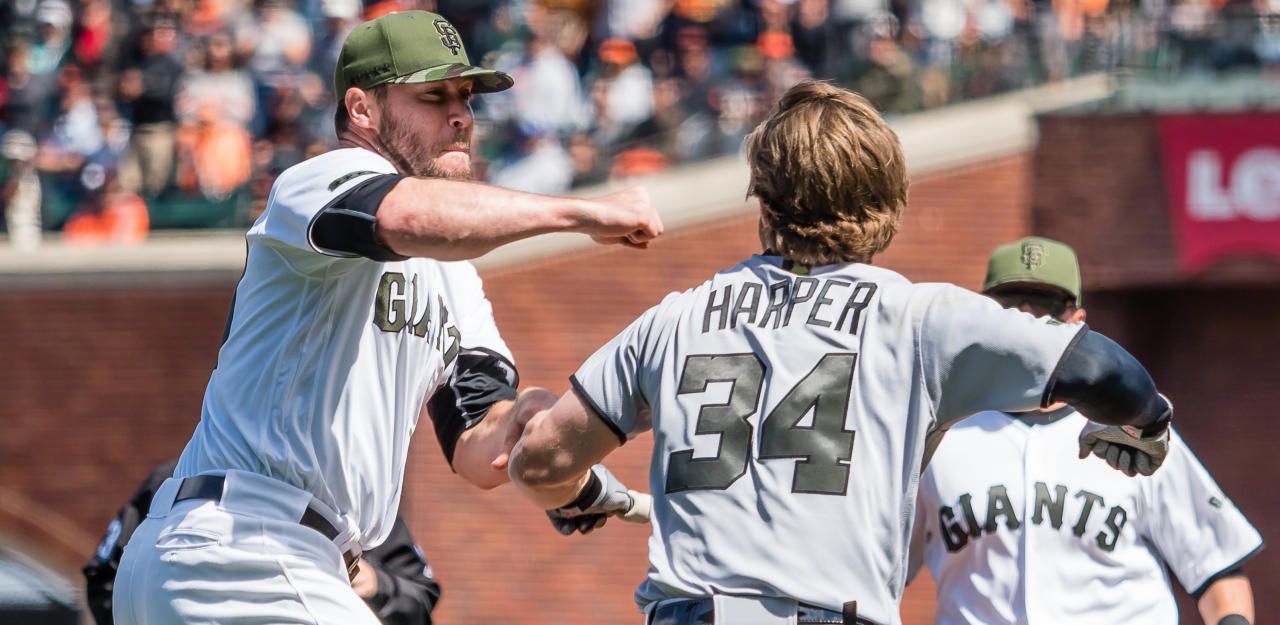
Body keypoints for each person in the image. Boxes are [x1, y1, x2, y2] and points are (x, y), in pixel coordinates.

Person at [506, 81, 1174, 625]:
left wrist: (584, 489)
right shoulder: (919, 318)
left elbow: (540, 462)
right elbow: (1104, 371)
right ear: (888, 203)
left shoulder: (675, 319)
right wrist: (1146, 423)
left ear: (764, 202)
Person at [111, 10, 662, 625]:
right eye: (434, 96)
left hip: (268, 557)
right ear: (362, 109)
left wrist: (526, 424)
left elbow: (476, 447)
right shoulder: (320, 179)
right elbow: (407, 217)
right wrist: (583, 213)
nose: (461, 116)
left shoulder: (457, 281)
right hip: (243, 546)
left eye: (466, 97)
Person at [907, 237, 1262, 625]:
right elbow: (880, 569)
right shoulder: (940, 438)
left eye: (1047, 306)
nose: (1026, 315)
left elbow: (1218, 569)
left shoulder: (1133, 429)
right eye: (1009, 304)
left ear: (1078, 321)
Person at [86, 461, 443, 625]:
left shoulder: (361, 500)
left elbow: (422, 599)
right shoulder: (179, 482)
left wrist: (377, 584)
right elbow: (106, 575)